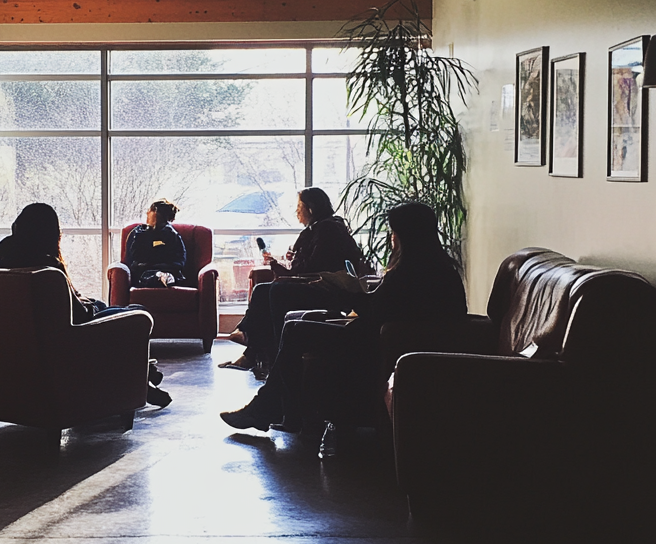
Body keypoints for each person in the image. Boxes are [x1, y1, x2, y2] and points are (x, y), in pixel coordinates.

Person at [219, 202, 467, 441]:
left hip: (376, 340)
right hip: (383, 335)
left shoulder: (409, 272)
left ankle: (275, 409)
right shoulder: (440, 268)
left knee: (295, 331)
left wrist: (343, 292)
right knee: (296, 324)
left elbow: (375, 310)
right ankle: (277, 409)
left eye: (394, 232)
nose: (392, 239)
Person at [0, 203, 170, 405]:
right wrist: (87, 306)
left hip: (33, 340)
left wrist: (84, 302)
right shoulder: (48, 268)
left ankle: (147, 374)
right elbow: (78, 315)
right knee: (137, 313)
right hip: (72, 338)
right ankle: (143, 381)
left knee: (102, 304)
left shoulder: (5, 264)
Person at [220, 187, 370, 376]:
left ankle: (258, 347)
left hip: (328, 290)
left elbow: (314, 267)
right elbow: (305, 267)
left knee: (274, 291)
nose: (296, 211)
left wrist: (289, 265)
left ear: (311, 208)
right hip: (316, 284)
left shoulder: (328, 229)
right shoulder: (317, 229)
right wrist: (286, 263)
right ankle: (254, 351)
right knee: (263, 290)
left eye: (299, 206)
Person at [123, 198, 188, 287]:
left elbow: (180, 259)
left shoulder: (172, 234)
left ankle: (164, 278)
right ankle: (159, 277)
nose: (147, 213)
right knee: (148, 275)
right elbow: (133, 258)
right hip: (144, 272)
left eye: (149, 211)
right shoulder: (138, 232)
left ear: (156, 213)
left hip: (168, 270)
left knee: (170, 275)